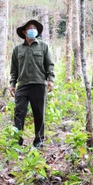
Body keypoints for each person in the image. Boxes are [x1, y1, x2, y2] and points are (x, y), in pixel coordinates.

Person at [9, 19, 55, 148]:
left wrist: (50, 80)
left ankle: (38, 140)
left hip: (39, 84)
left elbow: (49, 65)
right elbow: (14, 69)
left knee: (39, 113)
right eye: (29, 28)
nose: (32, 30)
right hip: (22, 85)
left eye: (34, 28)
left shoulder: (43, 47)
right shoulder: (17, 50)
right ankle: (17, 140)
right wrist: (12, 84)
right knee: (19, 113)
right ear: (24, 32)